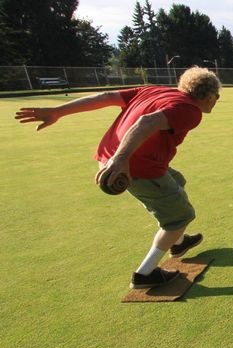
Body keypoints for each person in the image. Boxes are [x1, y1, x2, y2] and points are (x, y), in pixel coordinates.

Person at [15, 66, 221, 289]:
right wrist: (121, 159)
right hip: (132, 167)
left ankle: (178, 243)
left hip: (108, 158)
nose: (216, 100)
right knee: (180, 216)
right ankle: (145, 274)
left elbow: (105, 97)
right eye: (216, 96)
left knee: (177, 181)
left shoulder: (154, 90)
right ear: (209, 96)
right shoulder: (190, 110)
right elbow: (145, 123)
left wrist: (58, 111)